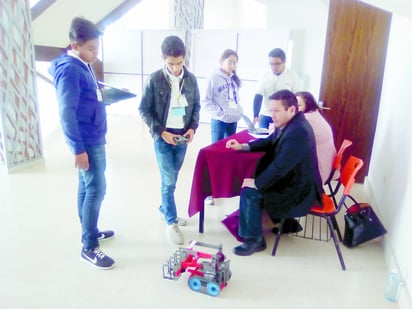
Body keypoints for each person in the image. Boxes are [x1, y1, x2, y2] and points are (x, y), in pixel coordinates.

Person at [49, 17, 115, 269]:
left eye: (97, 48)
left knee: (86, 186)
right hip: (87, 140)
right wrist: (78, 149)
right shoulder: (70, 69)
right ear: (74, 45)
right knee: (97, 188)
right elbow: (66, 112)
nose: (95, 54)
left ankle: (90, 230)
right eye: (91, 49)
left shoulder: (82, 63)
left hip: (93, 134)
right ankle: (89, 247)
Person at [226, 89, 323, 256]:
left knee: (250, 192)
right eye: (271, 110)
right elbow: (271, 141)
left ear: (291, 109)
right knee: (258, 179)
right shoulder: (291, 123)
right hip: (297, 181)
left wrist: (256, 183)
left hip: (299, 191)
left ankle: (254, 240)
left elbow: (280, 167)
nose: (272, 115)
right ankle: (285, 222)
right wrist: (243, 146)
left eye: (276, 110)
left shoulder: (298, 131)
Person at [139, 35, 201, 245]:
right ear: (163, 59)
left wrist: (192, 128)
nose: (175, 68)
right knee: (168, 181)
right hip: (163, 136)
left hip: (183, 136)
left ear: (185, 58)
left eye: (179, 63)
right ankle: (171, 222)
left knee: (173, 177)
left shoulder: (190, 79)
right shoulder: (155, 79)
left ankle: (166, 208)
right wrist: (161, 132)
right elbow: (144, 110)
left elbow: (196, 107)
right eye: (170, 64)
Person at [252, 48, 301, 129]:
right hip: (266, 115)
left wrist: (295, 116)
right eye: (271, 64)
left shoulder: (293, 76)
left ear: (284, 61)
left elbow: (297, 98)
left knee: (280, 139)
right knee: (263, 139)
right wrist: (255, 115)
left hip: (284, 116)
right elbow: (258, 95)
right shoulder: (264, 76)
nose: (274, 67)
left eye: (277, 64)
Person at [295, 91, 336, 184]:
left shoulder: (308, 119)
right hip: (325, 165)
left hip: (317, 172)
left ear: (308, 105)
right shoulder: (315, 114)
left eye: (299, 105)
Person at [203, 49, 243, 143]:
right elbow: (206, 101)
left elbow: (235, 99)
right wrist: (221, 114)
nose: (233, 65)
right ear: (222, 61)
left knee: (230, 149)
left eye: (235, 63)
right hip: (219, 121)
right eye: (230, 62)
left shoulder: (233, 79)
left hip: (233, 120)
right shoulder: (213, 77)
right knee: (217, 150)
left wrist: (239, 111)